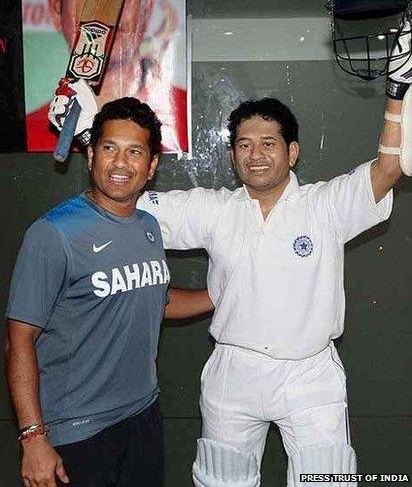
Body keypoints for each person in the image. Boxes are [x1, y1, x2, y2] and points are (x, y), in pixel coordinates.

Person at [49, 25, 411, 486]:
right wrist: (88, 136)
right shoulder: (214, 208)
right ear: (233, 155)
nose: (255, 155)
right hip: (233, 373)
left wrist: (397, 91)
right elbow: (123, 197)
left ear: (292, 152)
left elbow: (388, 169)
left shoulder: (327, 205)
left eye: (268, 143)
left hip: (311, 374)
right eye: (244, 144)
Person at [5, 97, 169, 487]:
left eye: (135, 152)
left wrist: (224, 295)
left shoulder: (149, 227)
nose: (120, 163)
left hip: (144, 416)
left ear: (151, 167)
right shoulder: (53, 234)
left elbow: (155, 299)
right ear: (91, 154)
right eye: (109, 148)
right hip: (77, 432)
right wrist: (33, 437)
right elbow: (18, 341)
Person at [26, 0, 187, 153]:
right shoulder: (28, 131)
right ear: (57, 5)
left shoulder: (187, 114)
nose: (109, 1)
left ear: (146, 5)